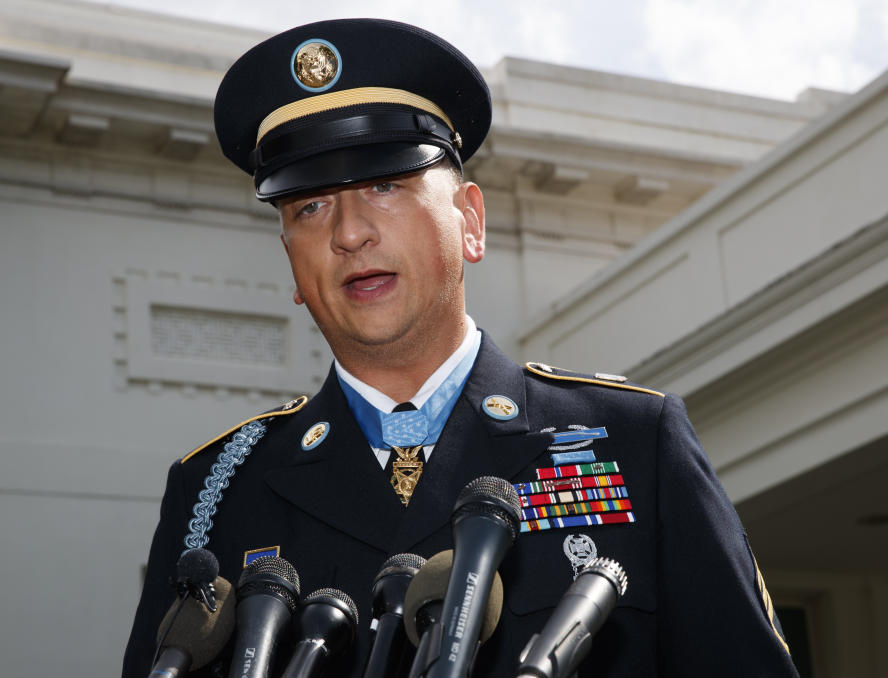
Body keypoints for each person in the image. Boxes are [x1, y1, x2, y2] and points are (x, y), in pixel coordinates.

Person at [123, 18, 799, 678]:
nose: (350, 232)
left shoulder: (634, 442)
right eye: (309, 207)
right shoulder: (217, 490)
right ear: (291, 265)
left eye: (386, 186)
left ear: (470, 222)